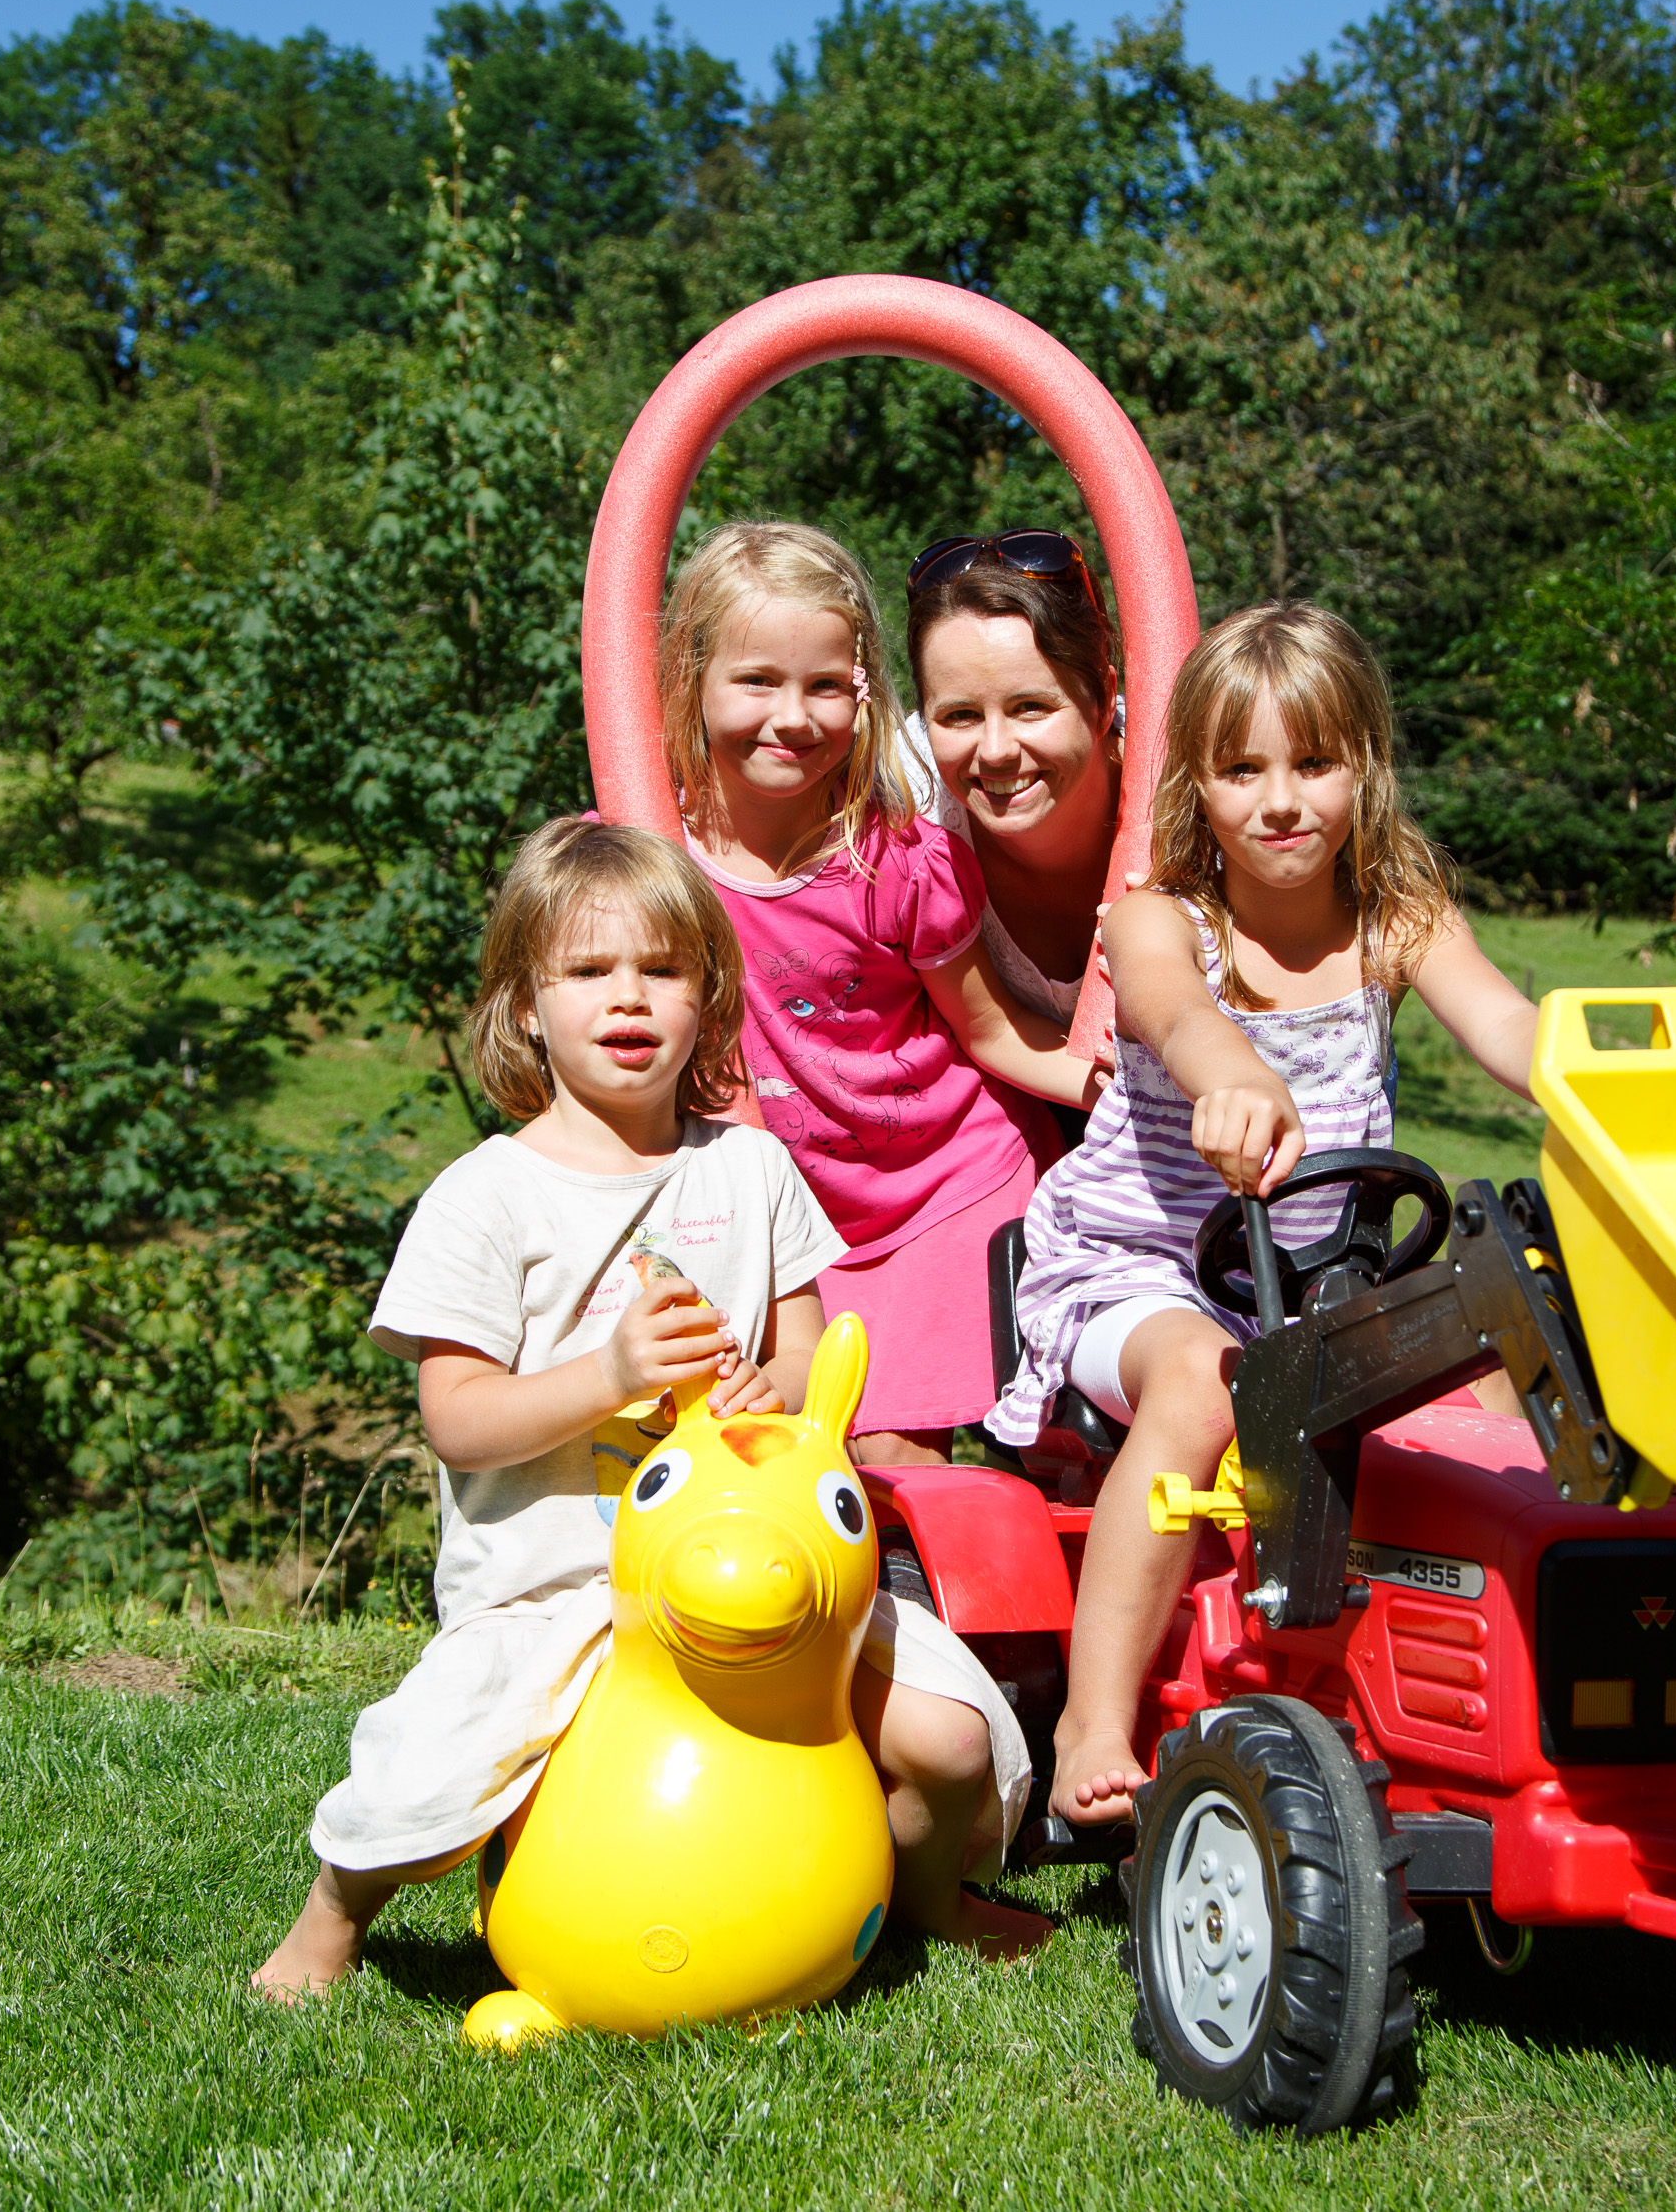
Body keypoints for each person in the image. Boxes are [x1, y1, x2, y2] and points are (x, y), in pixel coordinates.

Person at [254, 820, 1044, 1999]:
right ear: (526, 1006)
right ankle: (330, 1918)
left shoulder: (749, 1169)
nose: (627, 997)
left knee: (950, 1735)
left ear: (709, 999)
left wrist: (769, 1393)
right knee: (432, 1777)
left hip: (764, 1579)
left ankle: (927, 1900)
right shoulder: (487, 1197)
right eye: (587, 969)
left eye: (662, 969)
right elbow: (456, 1418)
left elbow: (805, 1351)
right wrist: (610, 1373)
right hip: (561, 1584)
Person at [986, 603, 1542, 1828]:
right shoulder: (1161, 920)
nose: (1280, 801)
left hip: (1322, 1285)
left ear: (1364, 766)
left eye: (1314, 763)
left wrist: (1597, 1074)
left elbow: (1506, 1024)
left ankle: (1510, 1667)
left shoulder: (1398, 918)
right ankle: (1092, 1715)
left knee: (1493, 1351)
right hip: (1137, 1270)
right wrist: (1229, 1074)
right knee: (1204, 1382)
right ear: (1197, 780)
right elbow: (1174, 1010)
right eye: (1242, 769)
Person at [660, 521, 1098, 1464]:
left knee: (924, 1454)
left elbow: (989, 1029)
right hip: (799, 1222)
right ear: (691, 680)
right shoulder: (650, 866)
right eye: (756, 681)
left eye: (825, 685)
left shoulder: (893, 856)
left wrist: (1116, 1089)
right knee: (809, 1459)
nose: (792, 717)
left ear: (862, 693)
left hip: (947, 1189)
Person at [901, 529, 1124, 1032]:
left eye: (1031, 707)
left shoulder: (1199, 785)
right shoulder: (905, 791)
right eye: (959, 715)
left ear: (1104, 700)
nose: (996, 751)